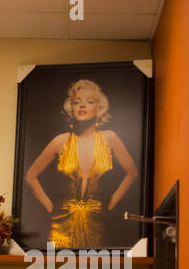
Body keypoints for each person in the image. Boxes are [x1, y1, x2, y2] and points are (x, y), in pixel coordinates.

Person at [24, 79, 138, 248]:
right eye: (77, 102)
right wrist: (51, 208)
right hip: (61, 228)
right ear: (71, 107)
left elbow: (133, 173)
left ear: (99, 108)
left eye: (89, 102)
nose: (82, 106)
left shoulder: (110, 138)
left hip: (98, 224)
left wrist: (111, 204)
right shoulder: (60, 141)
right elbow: (30, 176)